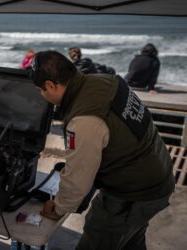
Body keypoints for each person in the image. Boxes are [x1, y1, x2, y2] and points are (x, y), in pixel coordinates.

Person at [30, 50, 175, 250]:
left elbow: (78, 179)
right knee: (130, 239)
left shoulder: (84, 120)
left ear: (51, 85)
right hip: (159, 171)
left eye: (41, 90)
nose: (41, 95)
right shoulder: (106, 80)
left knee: (100, 231)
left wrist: (58, 207)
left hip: (135, 192)